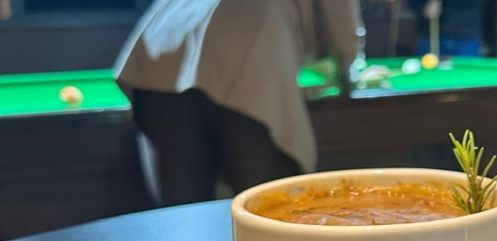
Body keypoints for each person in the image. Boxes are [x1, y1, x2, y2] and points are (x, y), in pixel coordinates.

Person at [115, 0, 364, 206]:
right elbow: (342, 26)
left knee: (181, 220)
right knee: (273, 213)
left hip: (159, 51)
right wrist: (347, 65)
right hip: (247, 46)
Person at [409, 0, 491, 57]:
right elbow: (414, 3)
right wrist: (423, 9)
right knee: (427, 73)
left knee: (469, 75)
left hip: (467, 36)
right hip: (433, 35)